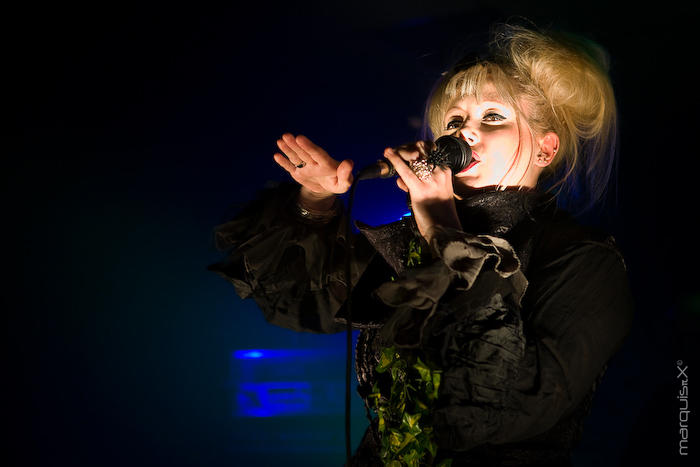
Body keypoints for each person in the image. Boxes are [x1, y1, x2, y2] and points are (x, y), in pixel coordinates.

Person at [208, 22, 634, 466]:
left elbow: (505, 408)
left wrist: (443, 232)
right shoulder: (413, 243)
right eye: (455, 121)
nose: (461, 134)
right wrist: (314, 202)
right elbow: (297, 304)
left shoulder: (583, 260)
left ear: (546, 151)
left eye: (492, 117)